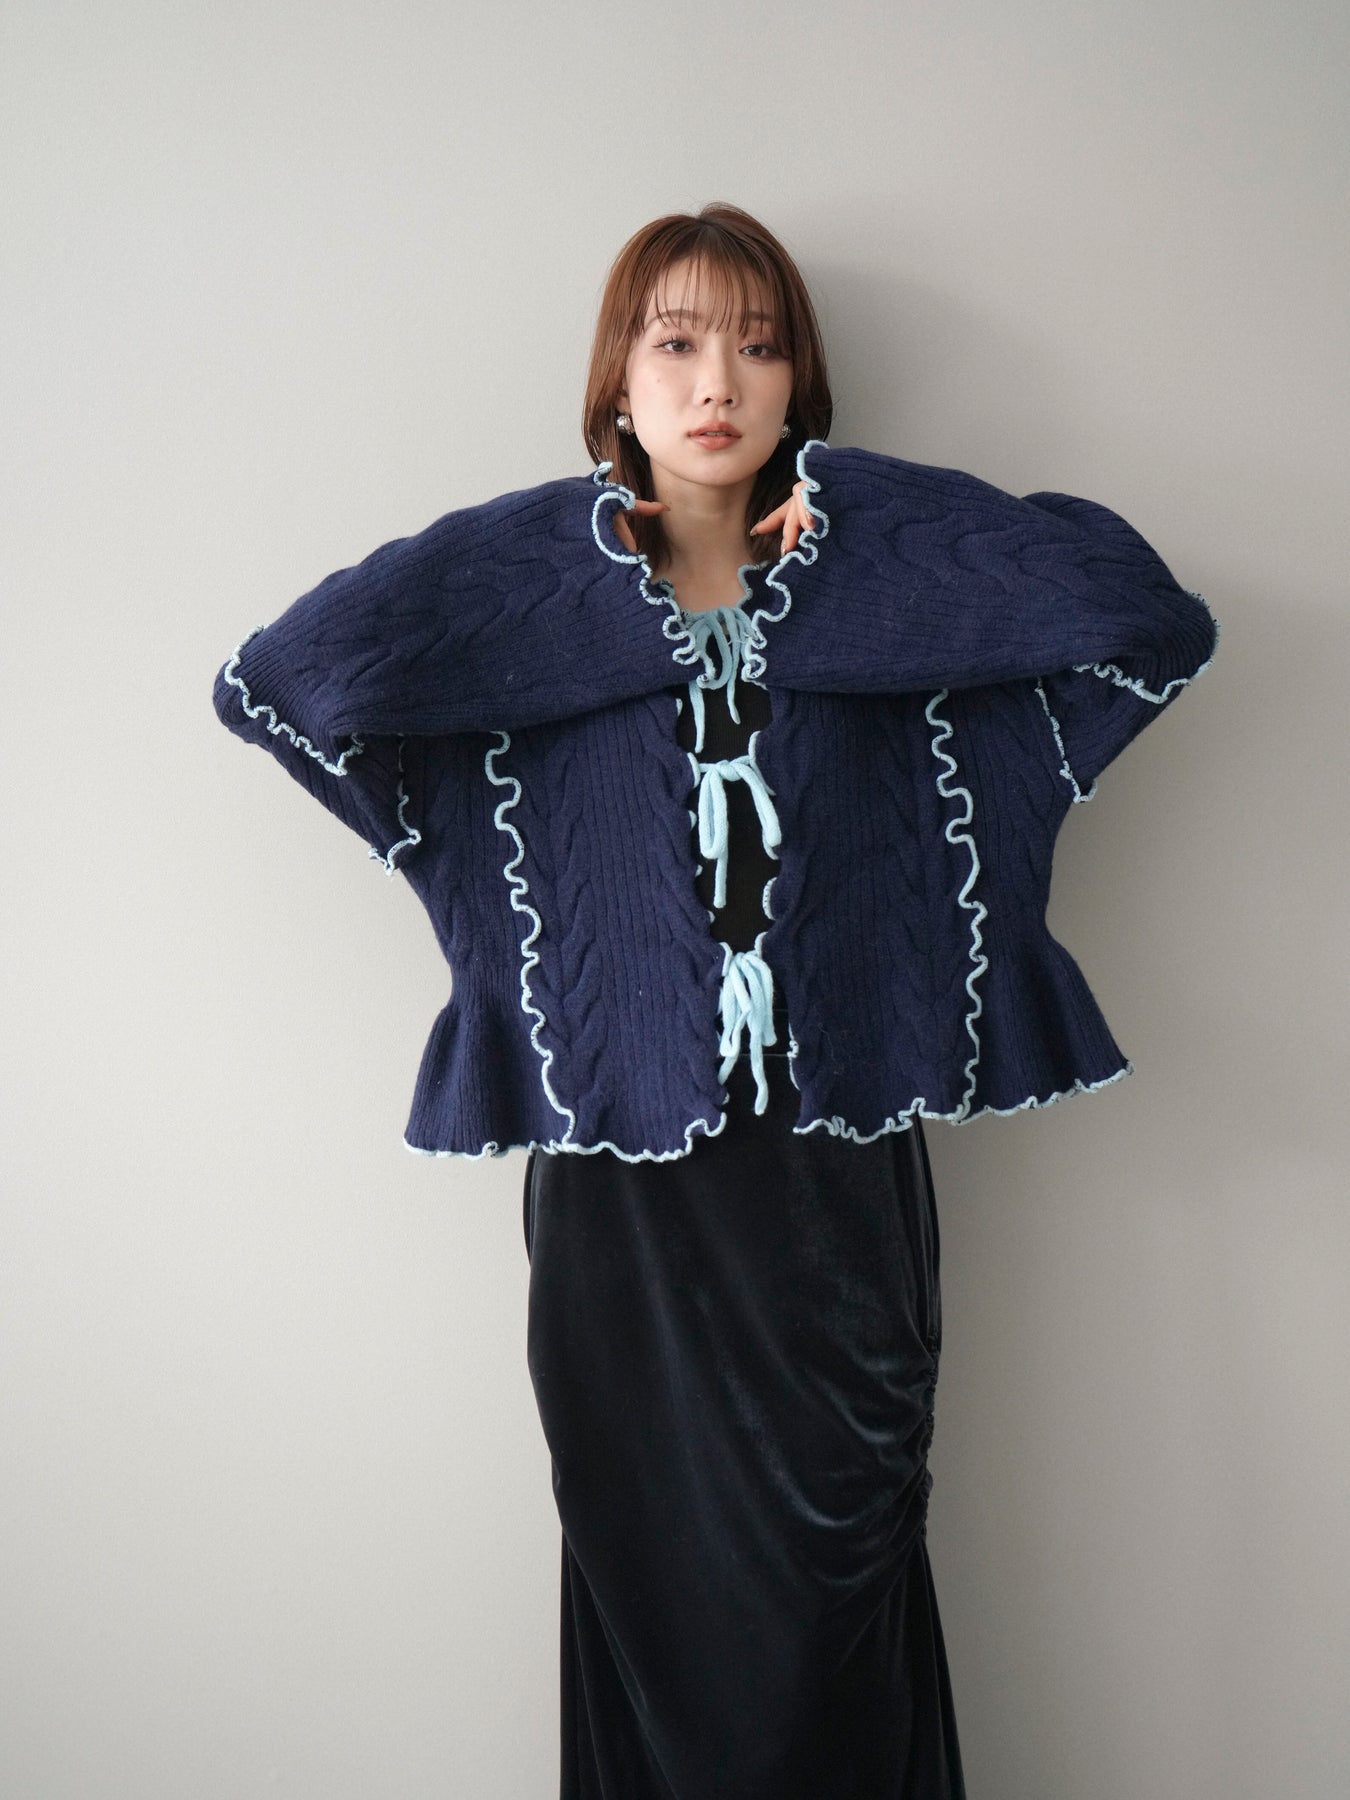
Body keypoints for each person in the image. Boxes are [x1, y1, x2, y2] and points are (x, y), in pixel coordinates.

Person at [213, 202, 1216, 1798]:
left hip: (838, 1199)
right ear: (614, 379)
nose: (717, 383)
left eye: (758, 347)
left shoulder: (879, 603)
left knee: (837, 1610)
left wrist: (861, 516)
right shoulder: (539, 620)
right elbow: (279, 680)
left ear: (799, 382)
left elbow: (1145, 619)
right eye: (673, 343)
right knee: (654, 1633)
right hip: (619, 1208)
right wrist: (576, 543)